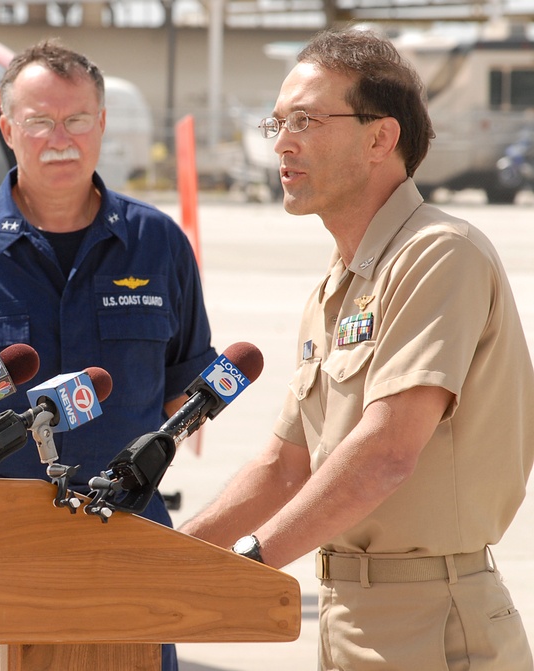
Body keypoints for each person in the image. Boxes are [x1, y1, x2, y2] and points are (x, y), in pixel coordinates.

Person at [179, 27, 534, 670]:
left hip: (434, 623)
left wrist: (248, 564)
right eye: (278, 123)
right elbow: (285, 466)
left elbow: (386, 454)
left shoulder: (438, 254)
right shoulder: (335, 286)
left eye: (307, 120)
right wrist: (170, 558)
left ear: (380, 138)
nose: (283, 142)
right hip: (347, 618)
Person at [0, 39, 216, 671]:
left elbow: (183, 392)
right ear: (8, 128)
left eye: (77, 119)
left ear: (102, 123)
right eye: (39, 121)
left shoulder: (158, 244)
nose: (60, 138)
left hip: (127, 545)